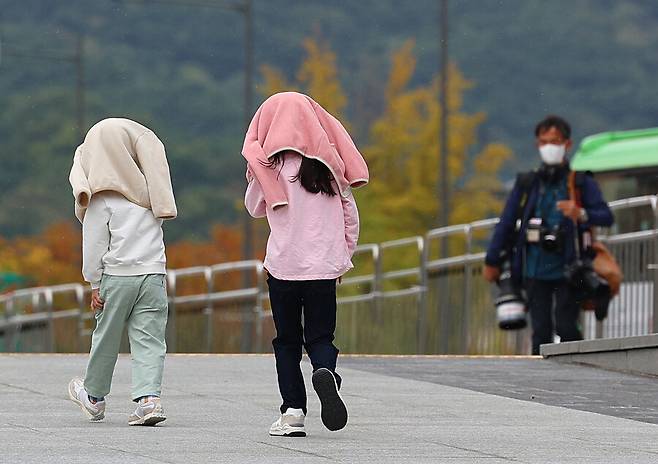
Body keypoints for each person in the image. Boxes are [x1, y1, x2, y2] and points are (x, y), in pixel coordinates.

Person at [243, 92, 368, 437]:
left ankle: (293, 411)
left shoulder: (272, 166)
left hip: (283, 267)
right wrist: (343, 256)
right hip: (324, 268)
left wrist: (255, 174)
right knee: (321, 336)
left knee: (287, 341)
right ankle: (325, 371)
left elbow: (254, 208)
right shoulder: (328, 167)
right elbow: (349, 214)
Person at [67, 118, 177, 425]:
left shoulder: (102, 199)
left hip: (117, 277)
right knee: (150, 339)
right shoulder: (149, 189)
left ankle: (94, 397)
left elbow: (94, 246)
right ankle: (148, 400)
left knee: (107, 337)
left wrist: (94, 283)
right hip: (154, 275)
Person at [484, 115, 614, 355]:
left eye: (554, 141)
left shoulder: (581, 182)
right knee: (541, 331)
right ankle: (539, 383)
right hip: (534, 268)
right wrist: (491, 260)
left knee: (567, 327)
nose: (549, 147)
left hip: (570, 269)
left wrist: (580, 213)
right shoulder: (528, 183)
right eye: (544, 142)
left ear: (567, 144)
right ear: (537, 145)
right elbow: (506, 222)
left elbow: (606, 216)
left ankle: (575, 371)